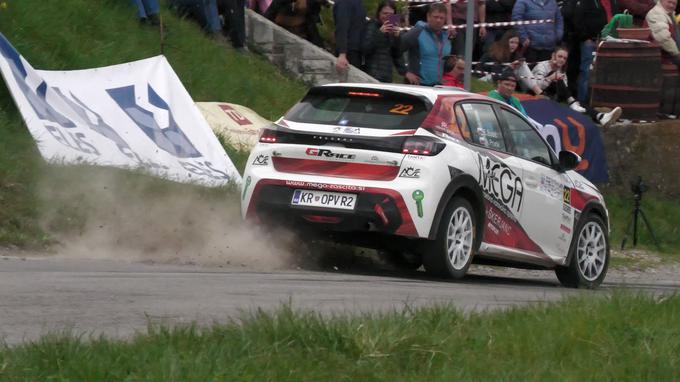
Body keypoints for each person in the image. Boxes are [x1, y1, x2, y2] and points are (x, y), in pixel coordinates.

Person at [532, 46, 623, 128]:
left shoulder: (561, 70)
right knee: (559, 80)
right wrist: (551, 78)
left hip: (557, 97)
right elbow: (537, 86)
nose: (562, 60)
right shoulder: (542, 66)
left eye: (564, 58)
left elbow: (564, 89)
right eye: (560, 56)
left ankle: (601, 117)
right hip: (542, 96)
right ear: (553, 56)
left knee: (579, 103)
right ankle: (573, 103)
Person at [562, 0, 619, 104]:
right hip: (591, 41)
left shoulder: (613, 2)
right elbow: (578, 19)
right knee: (586, 71)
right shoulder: (587, 2)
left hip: (609, 41)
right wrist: (585, 37)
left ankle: (601, 100)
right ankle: (583, 101)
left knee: (605, 72)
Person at [401, 3, 452, 86]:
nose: (438, 20)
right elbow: (395, 50)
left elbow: (443, 62)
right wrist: (405, 72)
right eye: (435, 17)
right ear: (428, 17)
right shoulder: (417, 32)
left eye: (441, 18)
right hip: (417, 85)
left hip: (438, 86)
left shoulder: (446, 38)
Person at [477, 29, 541, 94]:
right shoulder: (496, 52)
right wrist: (510, 68)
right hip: (483, 79)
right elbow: (496, 76)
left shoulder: (514, 54)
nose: (514, 45)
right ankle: (536, 92)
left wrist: (515, 65)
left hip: (500, 77)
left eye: (516, 43)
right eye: (512, 42)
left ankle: (536, 92)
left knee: (522, 65)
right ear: (505, 42)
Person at [362, 1, 407, 82]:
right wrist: (380, 33)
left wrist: (397, 38)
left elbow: (397, 54)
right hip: (372, 74)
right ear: (379, 13)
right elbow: (365, 49)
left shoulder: (393, 29)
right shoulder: (371, 26)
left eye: (391, 14)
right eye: (385, 13)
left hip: (387, 75)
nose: (387, 16)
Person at [333, 0, 367, 73]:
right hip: (349, 52)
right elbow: (342, 27)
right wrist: (342, 54)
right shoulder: (344, 2)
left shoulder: (359, 3)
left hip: (357, 52)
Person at [646, 0, 680, 67]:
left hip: (672, 54)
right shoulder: (656, 14)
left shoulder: (670, 14)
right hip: (664, 56)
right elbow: (663, 38)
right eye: (669, 2)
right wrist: (677, 54)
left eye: (674, 4)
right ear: (661, 1)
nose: (671, 5)